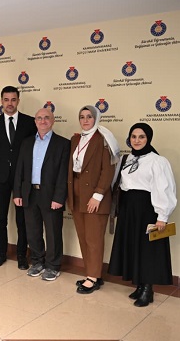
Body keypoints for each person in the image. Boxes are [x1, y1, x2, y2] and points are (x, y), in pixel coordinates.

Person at [108, 123, 177, 307]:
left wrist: (162, 216)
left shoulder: (157, 161)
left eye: (141, 137)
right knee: (133, 245)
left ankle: (148, 289)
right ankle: (139, 284)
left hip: (147, 209)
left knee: (148, 249)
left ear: (149, 139)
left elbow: (164, 188)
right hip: (129, 208)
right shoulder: (128, 158)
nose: (137, 140)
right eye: (133, 136)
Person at [67, 105, 119, 294]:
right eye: (82, 117)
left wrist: (98, 195)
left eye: (89, 116)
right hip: (77, 195)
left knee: (94, 239)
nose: (85, 120)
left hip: (95, 197)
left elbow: (108, 170)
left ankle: (93, 278)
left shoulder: (103, 139)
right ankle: (92, 273)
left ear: (96, 118)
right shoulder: (75, 139)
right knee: (83, 237)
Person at [13, 107, 70, 281]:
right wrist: (18, 193)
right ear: (35, 121)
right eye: (39, 118)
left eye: (46, 118)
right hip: (29, 193)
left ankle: (53, 266)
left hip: (51, 195)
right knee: (33, 231)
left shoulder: (62, 143)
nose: (43, 121)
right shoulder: (27, 142)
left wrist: (59, 197)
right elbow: (20, 169)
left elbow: (63, 174)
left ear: (52, 121)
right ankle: (38, 262)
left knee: (53, 232)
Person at [0, 86, 37, 269]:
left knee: (22, 219)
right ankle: (1, 253)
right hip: (0, 178)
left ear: (18, 101)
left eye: (13, 99)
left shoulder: (29, 122)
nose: (10, 103)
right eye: (6, 99)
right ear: (1, 101)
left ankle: (22, 255)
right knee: (0, 218)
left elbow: (33, 152)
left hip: (22, 179)